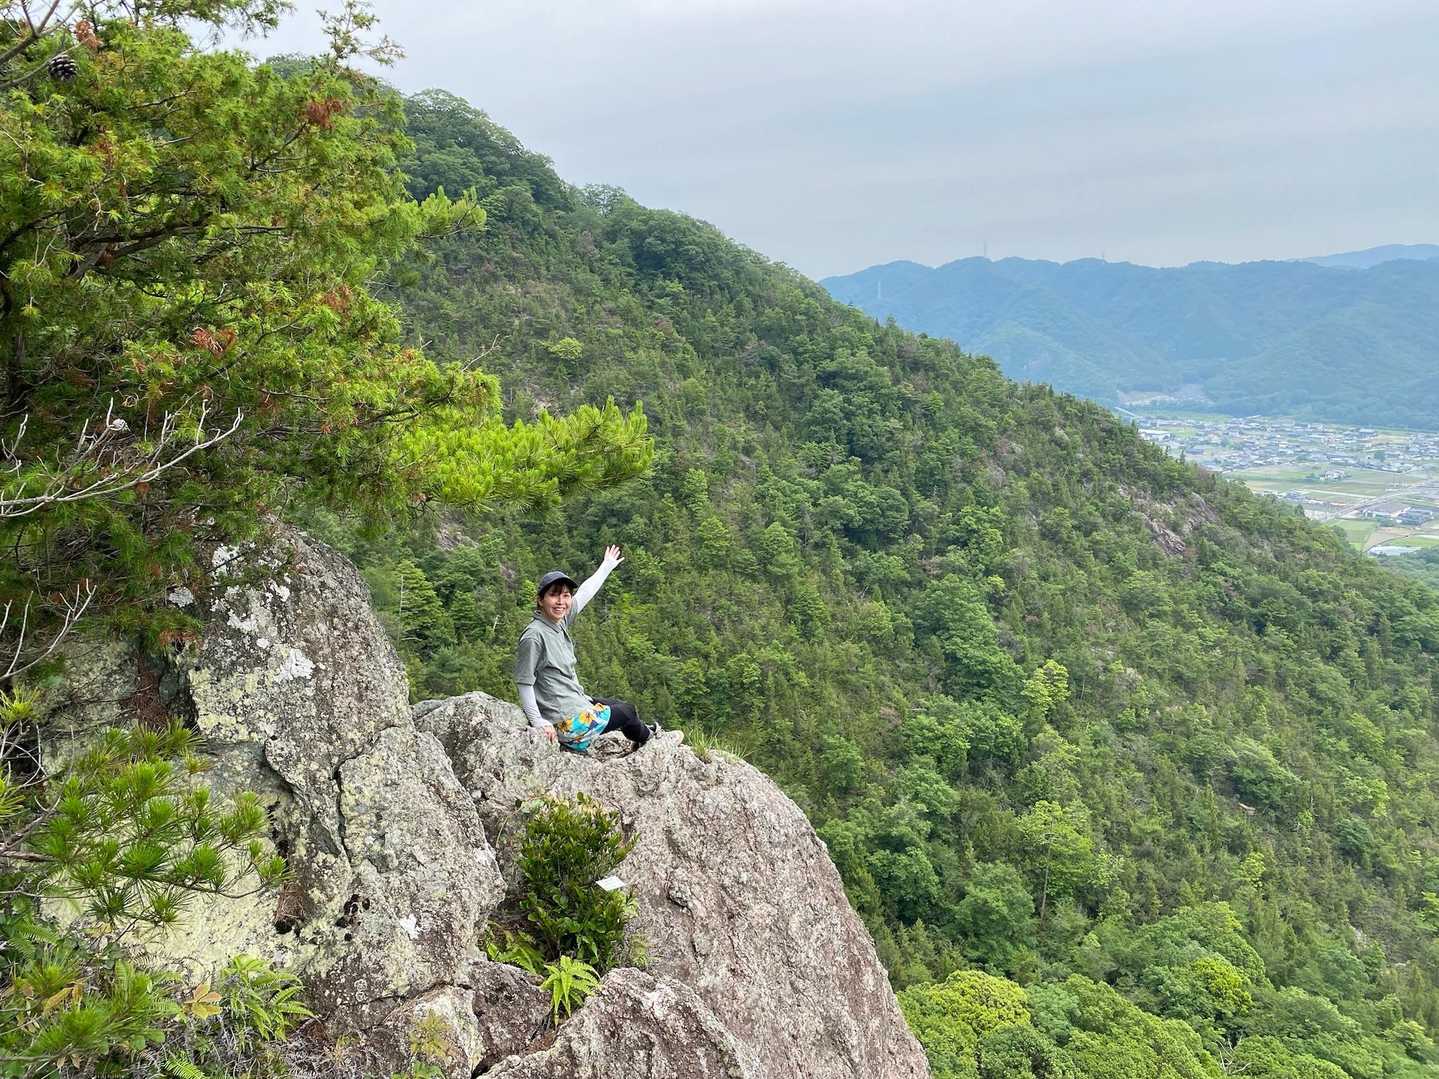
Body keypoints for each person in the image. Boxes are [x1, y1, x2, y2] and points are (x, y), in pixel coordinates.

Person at [514, 545, 666, 753]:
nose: (561, 601)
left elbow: (585, 593)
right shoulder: (534, 636)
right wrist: (538, 721)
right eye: (554, 595)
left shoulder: (558, 622)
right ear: (540, 600)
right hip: (567, 724)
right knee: (627, 711)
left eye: (566, 595)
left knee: (616, 704)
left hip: (572, 704)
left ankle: (644, 732)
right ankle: (653, 741)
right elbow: (524, 682)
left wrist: (606, 566)